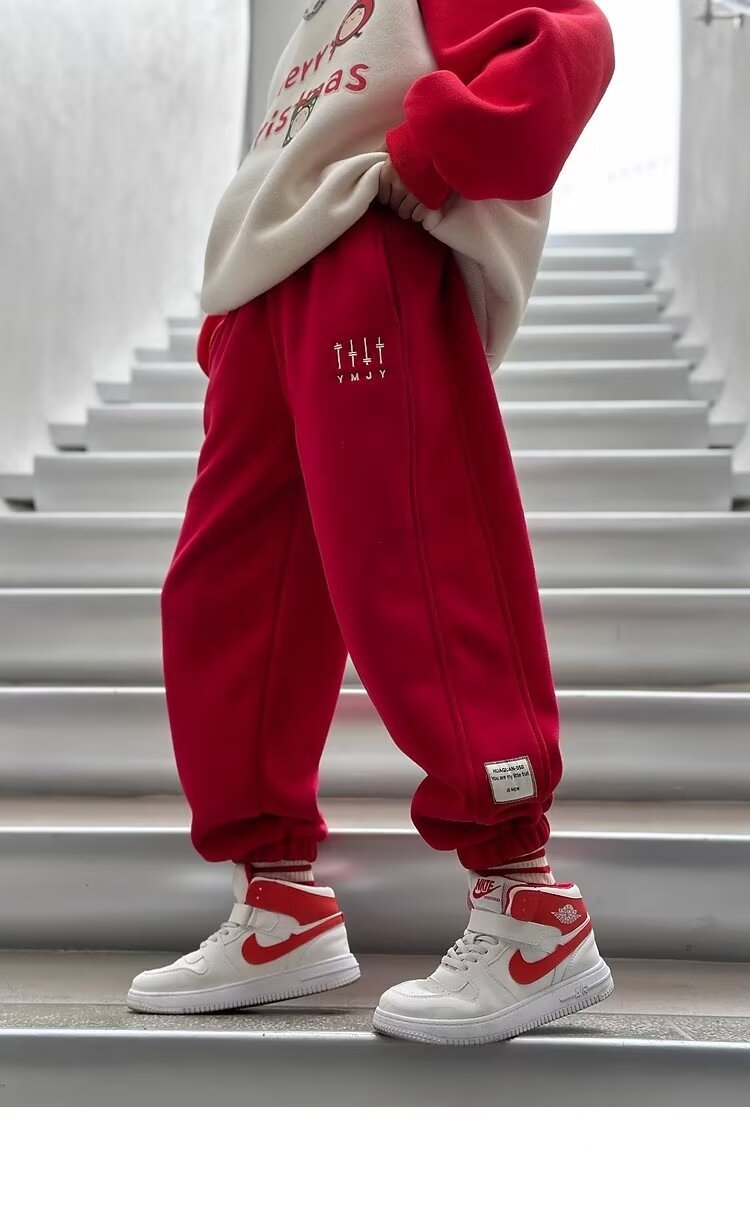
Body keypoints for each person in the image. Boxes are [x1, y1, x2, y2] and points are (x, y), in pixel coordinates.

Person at [128, 0, 616, 1044]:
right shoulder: (317, 21)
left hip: (367, 245)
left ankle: (529, 905)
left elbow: (569, 43)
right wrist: (234, 314)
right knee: (223, 592)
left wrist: (431, 155)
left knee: (412, 551)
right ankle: (279, 904)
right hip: (268, 287)